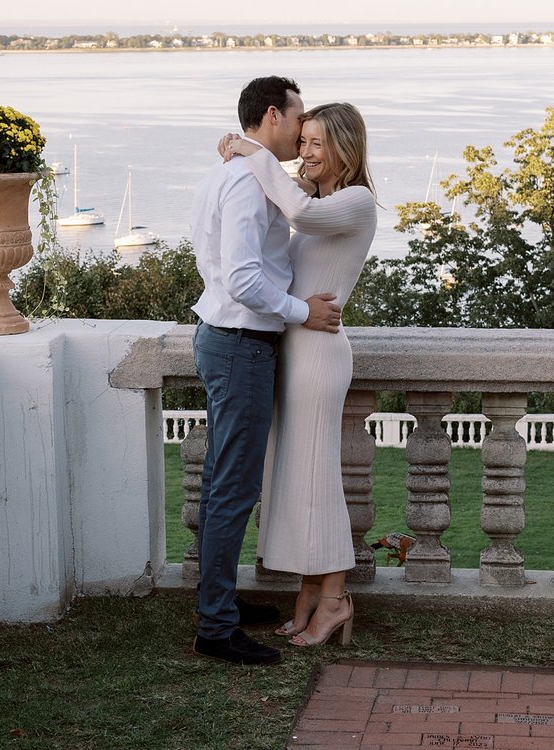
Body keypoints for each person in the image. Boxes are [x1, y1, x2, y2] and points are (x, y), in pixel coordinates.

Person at [190, 76, 343, 666]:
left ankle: (218, 600)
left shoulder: (231, 173)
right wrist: (304, 312)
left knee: (222, 484)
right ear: (274, 115)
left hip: (223, 338)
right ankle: (216, 625)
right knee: (233, 488)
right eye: (299, 118)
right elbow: (245, 280)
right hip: (240, 345)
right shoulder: (250, 186)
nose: (304, 133)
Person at [222, 102, 378, 647]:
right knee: (293, 480)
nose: (304, 154)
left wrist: (257, 153)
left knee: (319, 481)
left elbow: (299, 217)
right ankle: (310, 592)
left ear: (343, 148)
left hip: (318, 357)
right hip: (292, 349)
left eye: (315, 144)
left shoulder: (356, 204)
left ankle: (335, 599)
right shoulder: (317, 197)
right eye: (302, 141)